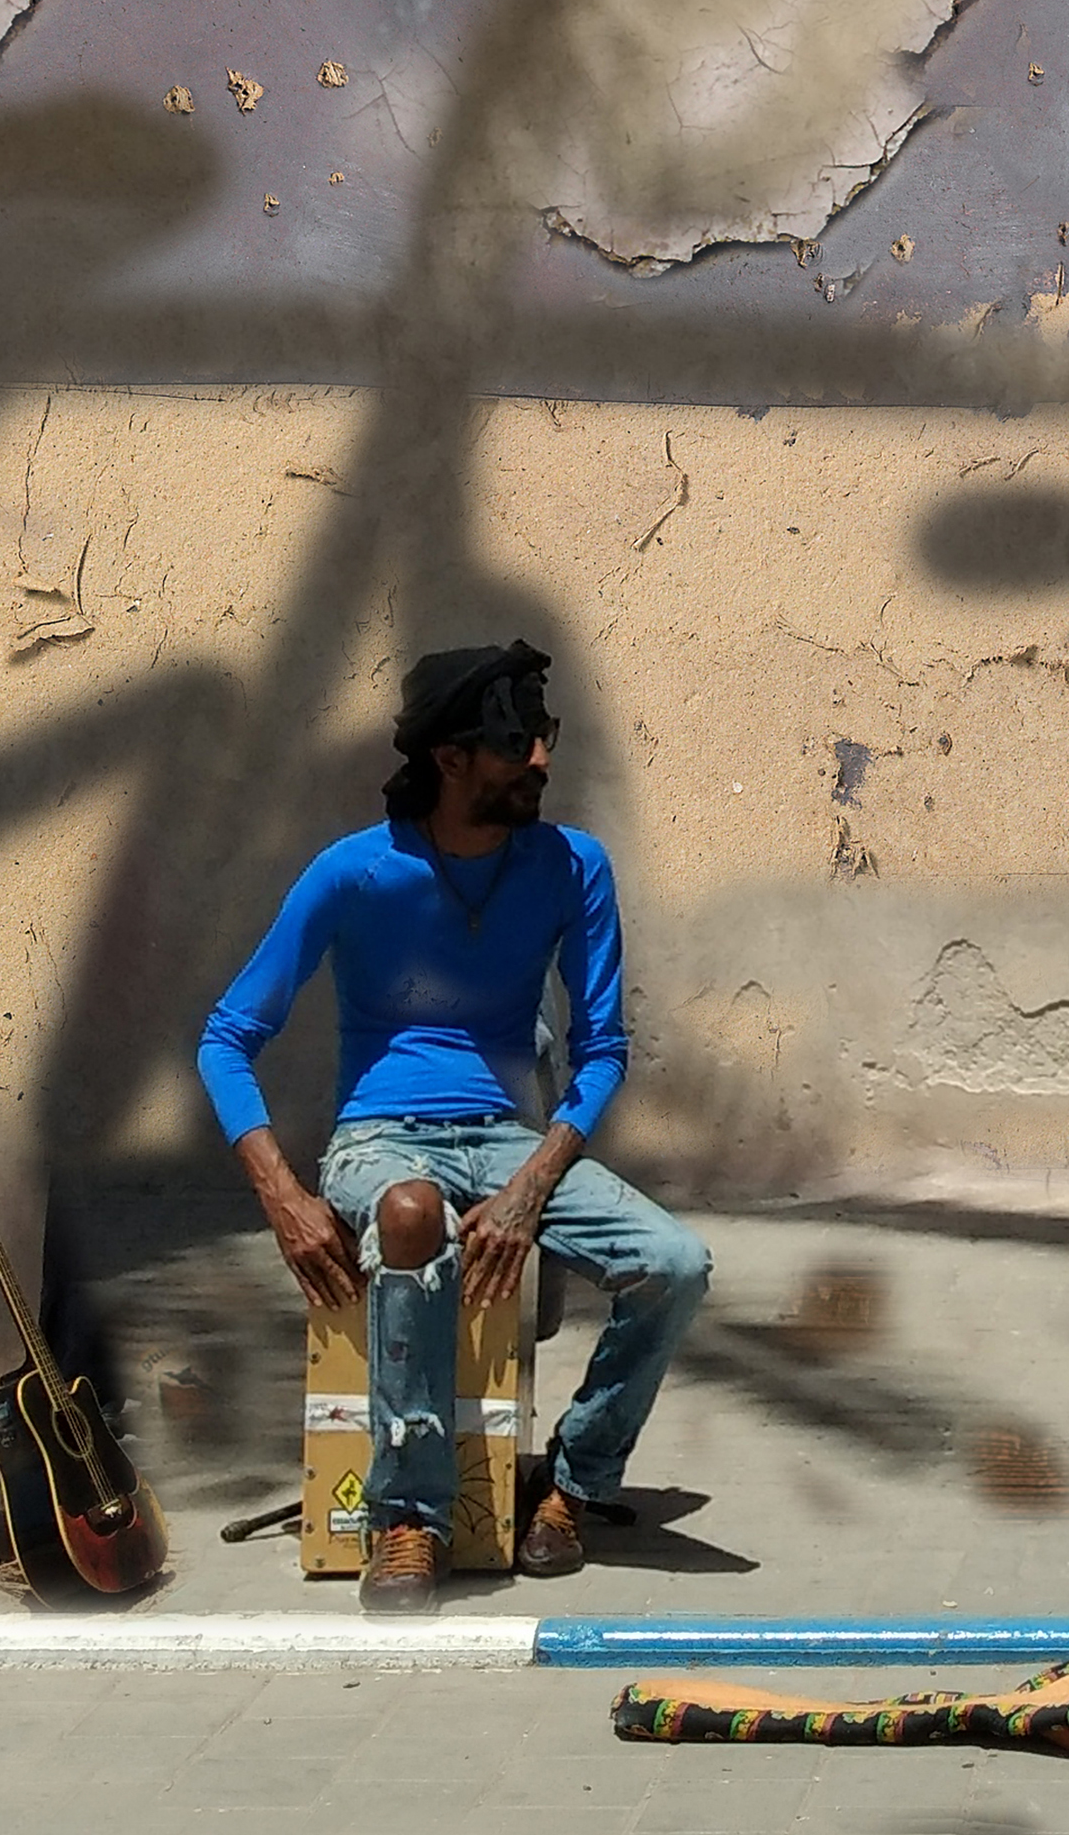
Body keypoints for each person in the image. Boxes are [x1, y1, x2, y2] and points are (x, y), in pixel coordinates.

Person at [198, 640, 713, 1613]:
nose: (540, 763)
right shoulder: (354, 873)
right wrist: (284, 1196)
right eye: (517, 742)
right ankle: (408, 1519)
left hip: (511, 1139)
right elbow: (228, 1037)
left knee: (675, 1262)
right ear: (449, 758)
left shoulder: (572, 866)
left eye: (544, 738)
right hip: (379, 1136)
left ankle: (572, 1483)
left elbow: (603, 1049)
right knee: (407, 1212)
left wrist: (533, 1183)